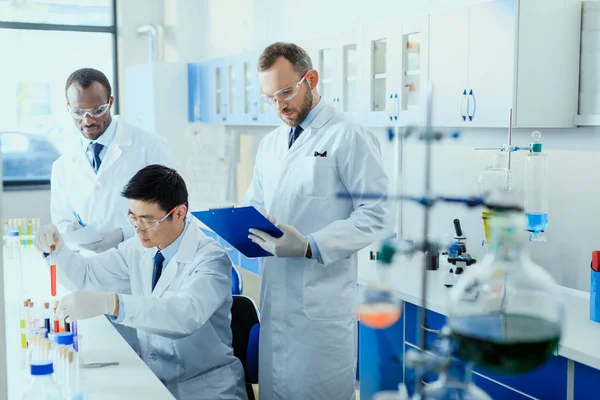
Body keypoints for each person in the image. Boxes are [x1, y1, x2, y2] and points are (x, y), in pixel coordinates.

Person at [244, 42, 390, 400]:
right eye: (270, 98)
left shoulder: (348, 135)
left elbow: (377, 215)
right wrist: (243, 223)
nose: (280, 104)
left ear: (311, 78)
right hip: (276, 301)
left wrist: (311, 245)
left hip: (320, 311)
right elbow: (255, 202)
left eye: (285, 92)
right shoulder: (272, 144)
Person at [35, 165, 247, 400]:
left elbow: (184, 315)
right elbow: (86, 276)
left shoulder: (210, 259)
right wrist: (57, 249)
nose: (138, 229)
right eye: (133, 218)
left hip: (204, 387)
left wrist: (113, 303)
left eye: (147, 220)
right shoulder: (137, 248)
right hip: (152, 380)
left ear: (179, 213)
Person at [51, 68, 173, 254]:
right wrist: (72, 234)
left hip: (139, 264)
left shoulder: (149, 147)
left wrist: (123, 234)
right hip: (89, 270)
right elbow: (62, 221)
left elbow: (171, 213)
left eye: (98, 110)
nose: (88, 120)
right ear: (68, 106)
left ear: (110, 103)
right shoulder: (63, 165)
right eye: (78, 112)